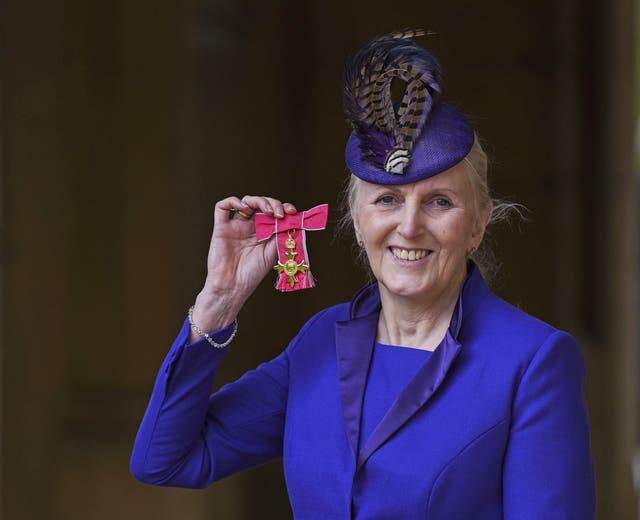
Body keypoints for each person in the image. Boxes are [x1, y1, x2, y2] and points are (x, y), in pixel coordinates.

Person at [131, 30, 596, 518]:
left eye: (440, 201)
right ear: (357, 222)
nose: (410, 226)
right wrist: (218, 301)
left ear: (478, 224)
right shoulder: (320, 342)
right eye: (387, 200)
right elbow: (165, 461)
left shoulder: (532, 362)